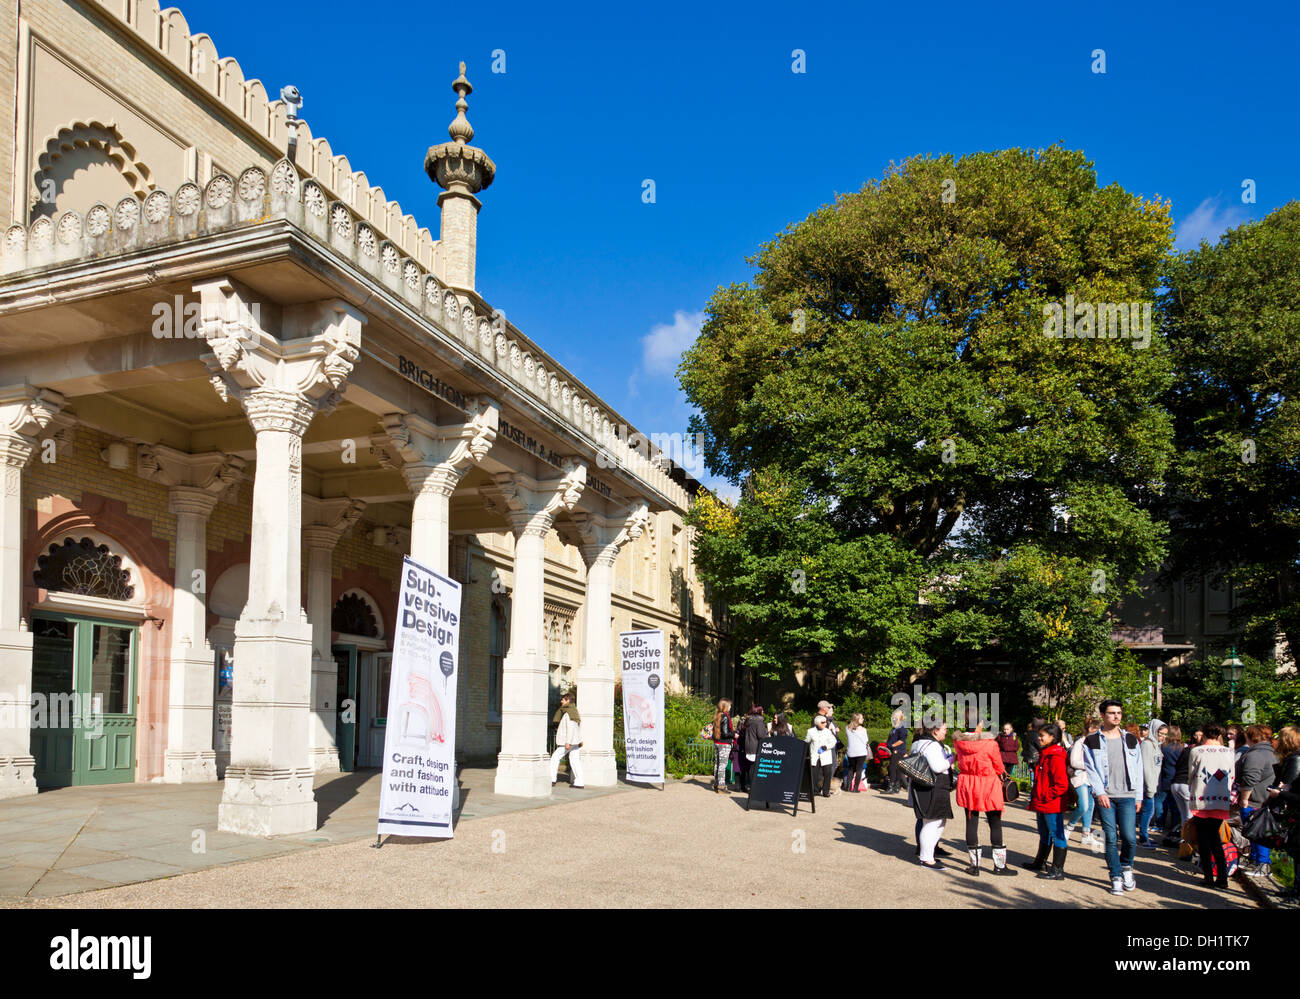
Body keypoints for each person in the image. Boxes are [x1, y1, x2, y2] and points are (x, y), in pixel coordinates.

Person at [1083, 699, 1146, 896]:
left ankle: (1127, 867)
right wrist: (1100, 792)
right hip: (1107, 796)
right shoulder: (1092, 740)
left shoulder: (1130, 739)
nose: (1116, 716)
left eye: (1119, 712)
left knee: (1129, 837)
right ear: (1103, 715)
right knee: (1110, 837)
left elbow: (1139, 767)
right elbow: (1091, 769)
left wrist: (1139, 795)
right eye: (1112, 713)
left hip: (1128, 794)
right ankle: (1116, 876)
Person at [955, 717, 1016, 876]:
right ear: (979, 725)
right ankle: (999, 866)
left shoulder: (958, 742)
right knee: (995, 822)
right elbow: (999, 766)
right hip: (988, 784)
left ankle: (974, 866)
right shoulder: (990, 744)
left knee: (971, 822)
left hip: (968, 784)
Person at [1188, 724, 1234, 888]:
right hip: (1221, 799)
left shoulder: (1197, 751)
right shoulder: (1229, 752)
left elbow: (1191, 774)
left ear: (1205, 734)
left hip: (1201, 798)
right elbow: (1232, 774)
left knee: (1203, 839)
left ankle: (1208, 876)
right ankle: (1222, 877)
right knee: (1215, 839)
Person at [1024, 722, 1071, 879]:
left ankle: (1057, 870)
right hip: (1043, 802)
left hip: (1051, 803)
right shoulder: (1046, 753)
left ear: (1052, 737)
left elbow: (1061, 784)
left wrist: (1045, 796)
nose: (1039, 738)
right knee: (1044, 833)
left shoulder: (1055, 756)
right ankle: (1040, 862)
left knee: (1057, 835)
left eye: (1042, 736)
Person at [910, 721, 954, 870]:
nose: (946, 732)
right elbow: (938, 766)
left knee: (936, 821)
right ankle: (926, 858)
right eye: (944, 729)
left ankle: (928, 855)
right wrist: (952, 759)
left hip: (925, 786)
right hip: (933, 787)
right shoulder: (932, 745)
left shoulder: (918, 742)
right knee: (932, 822)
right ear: (935, 730)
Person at [1236, 725, 1277, 878]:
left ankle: (1262, 864)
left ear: (1251, 737)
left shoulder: (1256, 755)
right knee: (1256, 832)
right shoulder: (1272, 752)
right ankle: (1255, 861)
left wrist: (1244, 799)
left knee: (1258, 832)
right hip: (1265, 799)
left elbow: (1250, 778)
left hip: (1255, 800)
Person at [1266, 725, 1300, 904]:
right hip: (1293, 810)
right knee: (1295, 852)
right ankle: (1295, 889)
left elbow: (1292, 787)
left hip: (1294, 810)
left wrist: (1281, 793)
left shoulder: (1295, 759)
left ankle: (1297, 892)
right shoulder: (1290, 759)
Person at [1065, 718, 1102, 852]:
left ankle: (1086, 834)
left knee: (1090, 807)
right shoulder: (1080, 743)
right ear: (1089, 729)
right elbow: (1074, 762)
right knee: (1083, 805)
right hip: (1080, 777)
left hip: (1093, 779)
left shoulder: (1099, 743)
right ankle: (1069, 827)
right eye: (1094, 729)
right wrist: (1090, 766)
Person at [1168, 729, 1199, 844]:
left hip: (1176, 783)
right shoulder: (1197, 751)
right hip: (1186, 784)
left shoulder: (1186, 750)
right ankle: (1187, 843)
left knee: (1184, 815)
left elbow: (1177, 765)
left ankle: (1184, 840)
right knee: (1189, 816)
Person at [549, 691, 584, 788]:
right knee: (575, 761)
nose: (561, 701)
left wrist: (567, 742)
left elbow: (571, 728)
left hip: (569, 742)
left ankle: (552, 779)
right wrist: (580, 739)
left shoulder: (568, 713)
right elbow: (578, 726)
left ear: (568, 700)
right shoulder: (574, 711)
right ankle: (579, 782)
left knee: (555, 758)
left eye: (563, 700)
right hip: (575, 742)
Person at [1137, 719, 1164, 848]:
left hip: (1153, 784)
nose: (1163, 737)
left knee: (1148, 812)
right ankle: (1143, 837)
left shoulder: (1156, 745)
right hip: (1147, 786)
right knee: (1148, 812)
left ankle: (1144, 835)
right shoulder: (1147, 745)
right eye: (1161, 733)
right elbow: (1146, 767)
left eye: (1165, 734)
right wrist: (1149, 788)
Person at [806, 714, 837, 797]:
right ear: (817, 723)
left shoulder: (828, 731)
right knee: (814, 774)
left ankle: (826, 791)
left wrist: (826, 747)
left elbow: (833, 741)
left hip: (825, 755)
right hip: (815, 756)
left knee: (827, 774)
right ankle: (815, 790)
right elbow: (807, 742)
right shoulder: (810, 731)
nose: (825, 724)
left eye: (825, 722)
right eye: (822, 722)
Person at [738, 704, 767, 792]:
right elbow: (761, 735)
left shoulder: (749, 720)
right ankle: (754, 788)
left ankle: (751, 786)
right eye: (762, 710)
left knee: (751, 767)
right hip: (756, 746)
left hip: (749, 746)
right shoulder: (759, 721)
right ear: (759, 711)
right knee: (754, 768)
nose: (763, 712)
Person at [711, 698, 734, 794]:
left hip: (717, 742)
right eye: (729, 705)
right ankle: (721, 786)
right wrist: (734, 735)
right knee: (722, 766)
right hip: (724, 744)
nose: (730, 707)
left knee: (717, 764)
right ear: (725, 706)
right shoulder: (725, 716)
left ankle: (716, 784)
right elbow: (725, 733)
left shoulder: (717, 715)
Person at [843, 713, 869, 792]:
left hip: (851, 752)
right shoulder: (863, 730)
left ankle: (848, 787)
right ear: (857, 719)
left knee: (851, 769)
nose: (863, 719)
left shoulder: (847, 728)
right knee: (859, 770)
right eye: (862, 718)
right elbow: (866, 741)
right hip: (861, 752)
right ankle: (855, 788)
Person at [885, 709, 908, 793]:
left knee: (892, 768)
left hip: (898, 751)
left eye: (894, 716)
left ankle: (892, 786)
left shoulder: (902, 727)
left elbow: (902, 740)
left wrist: (892, 745)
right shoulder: (894, 727)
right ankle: (896, 787)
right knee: (897, 769)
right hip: (894, 750)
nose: (893, 718)